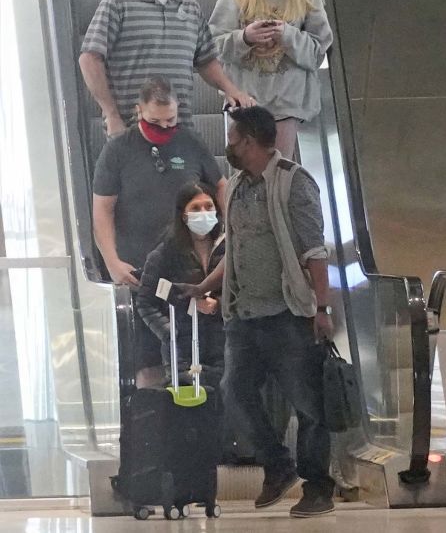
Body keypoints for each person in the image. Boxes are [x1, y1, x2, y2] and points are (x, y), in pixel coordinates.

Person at [207, 106, 334, 517]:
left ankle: (318, 485)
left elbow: (315, 250)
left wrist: (321, 307)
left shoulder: (294, 184)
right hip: (244, 317)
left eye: (232, 138)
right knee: (235, 391)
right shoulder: (238, 188)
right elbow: (237, 249)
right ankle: (278, 465)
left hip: (288, 315)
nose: (228, 145)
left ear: (250, 141)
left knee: (308, 403)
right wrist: (207, 286)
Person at [91, 76, 225, 386]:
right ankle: (155, 414)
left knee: (203, 353)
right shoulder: (118, 151)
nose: (164, 128)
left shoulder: (190, 143)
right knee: (150, 358)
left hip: (191, 272)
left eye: (170, 121)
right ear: (138, 111)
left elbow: (220, 186)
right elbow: (102, 210)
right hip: (143, 275)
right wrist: (111, 260)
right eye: (155, 121)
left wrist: (229, 237)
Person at [80, 0, 255, 136]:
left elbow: (206, 59)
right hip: (131, 129)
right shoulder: (117, 2)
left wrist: (230, 89)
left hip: (180, 128)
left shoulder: (189, 5)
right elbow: (90, 58)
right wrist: (110, 114)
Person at [209, 0, 334, 159]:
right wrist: (245, 37)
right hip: (244, 100)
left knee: (279, 176)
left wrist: (288, 36)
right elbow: (213, 45)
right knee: (244, 176)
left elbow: (319, 52)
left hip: (287, 101)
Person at [136, 181, 226, 387]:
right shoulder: (164, 255)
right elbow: (145, 302)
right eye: (195, 208)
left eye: (208, 206)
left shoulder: (229, 249)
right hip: (182, 353)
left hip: (224, 346)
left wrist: (217, 306)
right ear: (183, 216)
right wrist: (170, 333)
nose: (203, 212)